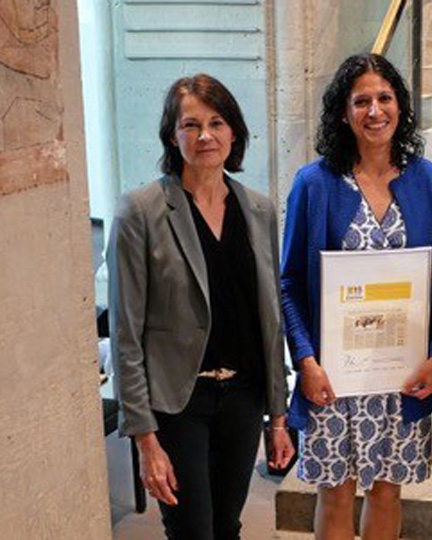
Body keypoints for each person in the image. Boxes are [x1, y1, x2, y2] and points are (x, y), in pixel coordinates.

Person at [108, 73, 294, 539]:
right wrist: (145, 438)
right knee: (192, 530)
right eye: (191, 125)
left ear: (234, 131)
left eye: (217, 122)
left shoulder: (259, 210)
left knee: (227, 527)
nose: (206, 136)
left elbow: (268, 321)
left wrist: (278, 414)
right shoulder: (141, 211)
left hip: (244, 398)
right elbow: (127, 333)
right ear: (173, 135)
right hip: (178, 402)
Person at [280, 53, 432, 540]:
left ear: (401, 106)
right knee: (335, 490)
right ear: (343, 113)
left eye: (385, 98)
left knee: (388, 490)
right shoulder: (315, 183)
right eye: (361, 101)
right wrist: (305, 361)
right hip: (333, 372)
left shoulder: (427, 179)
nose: (375, 110)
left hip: (403, 370)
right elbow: (290, 283)